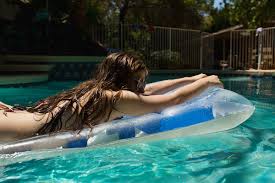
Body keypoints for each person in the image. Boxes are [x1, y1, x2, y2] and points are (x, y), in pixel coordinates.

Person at [0, 52, 222, 142]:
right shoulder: (116, 99)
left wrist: (192, 78)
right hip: (13, 131)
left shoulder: (98, 90)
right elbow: (171, 100)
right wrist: (207, 82)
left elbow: (151, 90)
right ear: (124, 80)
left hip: (14, 116)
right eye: (137, 81)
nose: (141, 87)